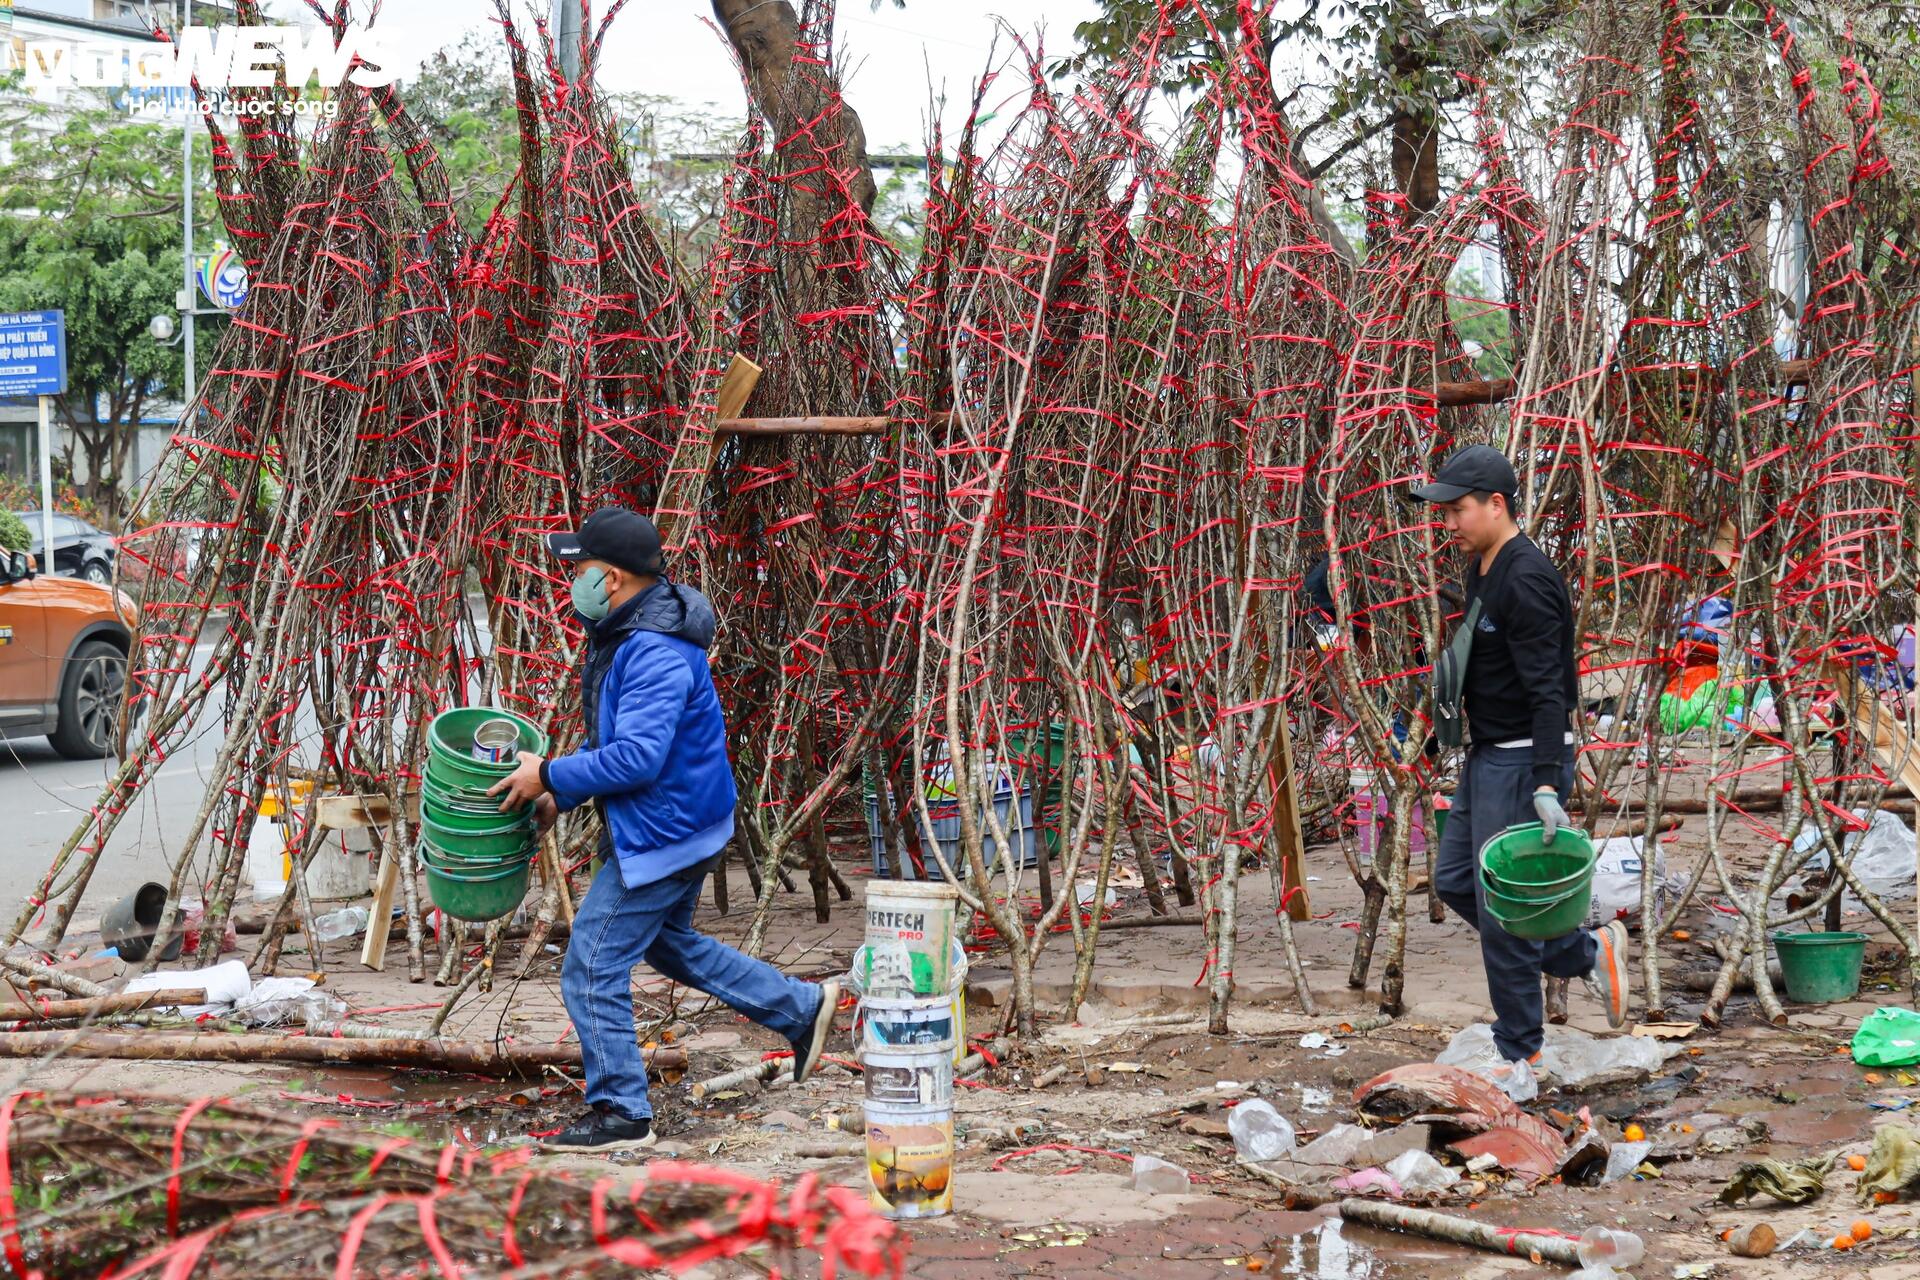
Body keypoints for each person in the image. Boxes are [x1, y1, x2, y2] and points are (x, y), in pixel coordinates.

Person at [489, 506, 839, 1152]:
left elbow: (639, 758)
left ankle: (623, 1110)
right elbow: (629, 751)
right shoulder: (635, 630)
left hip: (665, 833)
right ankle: (800, 1009)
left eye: (582, 570)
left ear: (614, 580)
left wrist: (552, 776)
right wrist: (557, 793)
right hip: (681, 821)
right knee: (669, 945)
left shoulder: (652, 649)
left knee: (589, 966)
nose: (575, 582)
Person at [1410, 446, 1628, 1072]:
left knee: (1504, 914)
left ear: (1496, 504)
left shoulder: (1527, 578)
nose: (1447, 523)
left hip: (1523, 762)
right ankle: (1581, 954)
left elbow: (1548, 692)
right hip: (1488, 756)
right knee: (1455, 882)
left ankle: (1518, 1056)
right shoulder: (1485, 565)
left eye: (1457, 510)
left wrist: (1546, 785)